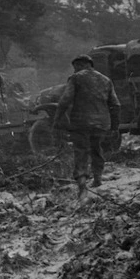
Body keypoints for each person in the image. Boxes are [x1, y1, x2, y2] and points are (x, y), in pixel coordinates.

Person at [54, 54, 121, 201]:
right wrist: (115, 126)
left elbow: (65, 99)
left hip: (81, 122)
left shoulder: (75, 78)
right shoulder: (106, 80)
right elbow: (115, 104)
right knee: (96, 147)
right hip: (101, 123)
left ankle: (83, 186)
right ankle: (98, 178)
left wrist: (57, 119)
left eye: (75, 67)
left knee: (81, 151)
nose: (74, 70)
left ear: (80, 65)